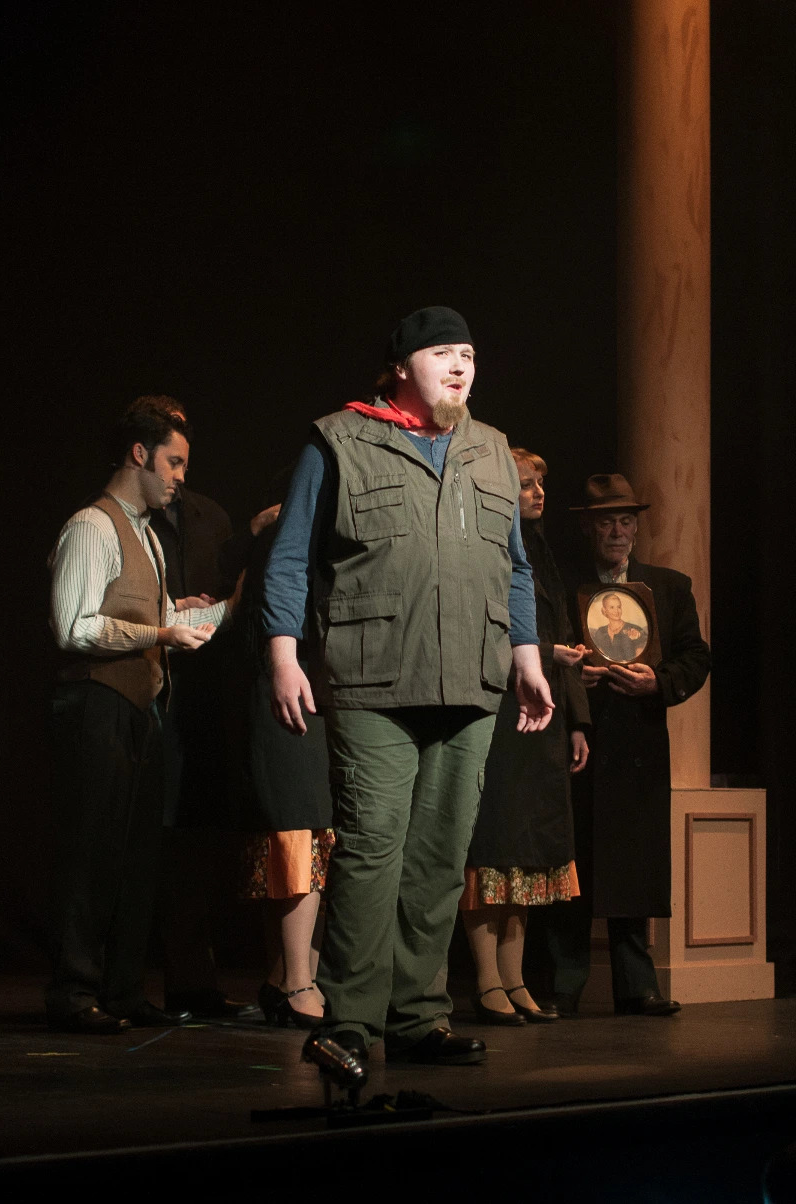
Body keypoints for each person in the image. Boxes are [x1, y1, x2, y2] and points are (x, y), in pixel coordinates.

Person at [263, 306, 553, 1065]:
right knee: (371, 849)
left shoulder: (491, 451)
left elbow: (514, 567)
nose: (460, 366)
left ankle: (418, 1016)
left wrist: (527, 657)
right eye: (442, 353)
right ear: (400, 367)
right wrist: (284, 655)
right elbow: (291, 557)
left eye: (469, 355)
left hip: (472, 678)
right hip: (375, 677)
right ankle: (350, 1022)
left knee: (440, 855)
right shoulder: (340, 440)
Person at [46, 403, 236, 1034]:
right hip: (95, 704)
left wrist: (222, 606)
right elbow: (73, 627)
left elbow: (162, 620)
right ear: (139, 455)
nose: (180, 477)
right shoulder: (91, 527)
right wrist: (159, 631)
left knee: (136, 856)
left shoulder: (148, 535)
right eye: (173, 463)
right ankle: (75, 992)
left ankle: (122, 991)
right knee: (93, 851)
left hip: (141, 707)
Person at [545, 473, 711, 1017]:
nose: (616, 532)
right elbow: (542, 650)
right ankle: (563, 985)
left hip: (639, 741)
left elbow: (695, 657)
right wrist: (571, 679)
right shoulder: (565, 586)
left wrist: (658, 682)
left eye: (624, 521)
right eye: (605, 523)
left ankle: (637, 986)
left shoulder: (668, 587)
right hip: (579, 738)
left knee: (633, 864)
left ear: (636, 529)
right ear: (588, 528)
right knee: (572, 862)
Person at [461, 450, 590, 1025]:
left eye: (541, 484)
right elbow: (477, 627)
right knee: (494, 841)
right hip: (501, 710)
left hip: (544, 716)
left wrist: (578, 721)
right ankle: (486, 979)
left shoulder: (540, 551)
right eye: (527, 484)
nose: (539, 493)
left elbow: (561, 631)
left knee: (530, 847)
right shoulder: (486, 546)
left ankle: (514, 979)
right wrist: (538, 653)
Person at [234, 472, 334, 1030]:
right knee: (298, 830)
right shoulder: (285, 544)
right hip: (289, 697)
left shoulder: (317, 541)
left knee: (316, 837)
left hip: (320, 698)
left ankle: (288, 976)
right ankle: (297, 980)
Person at [589, 591, 647, 662]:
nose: (616, 611)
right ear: (604, 610)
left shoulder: (635, 629)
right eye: (612, 607)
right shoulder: (600, 632)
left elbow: (641, 659)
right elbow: (599, 658)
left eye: (619, 607)